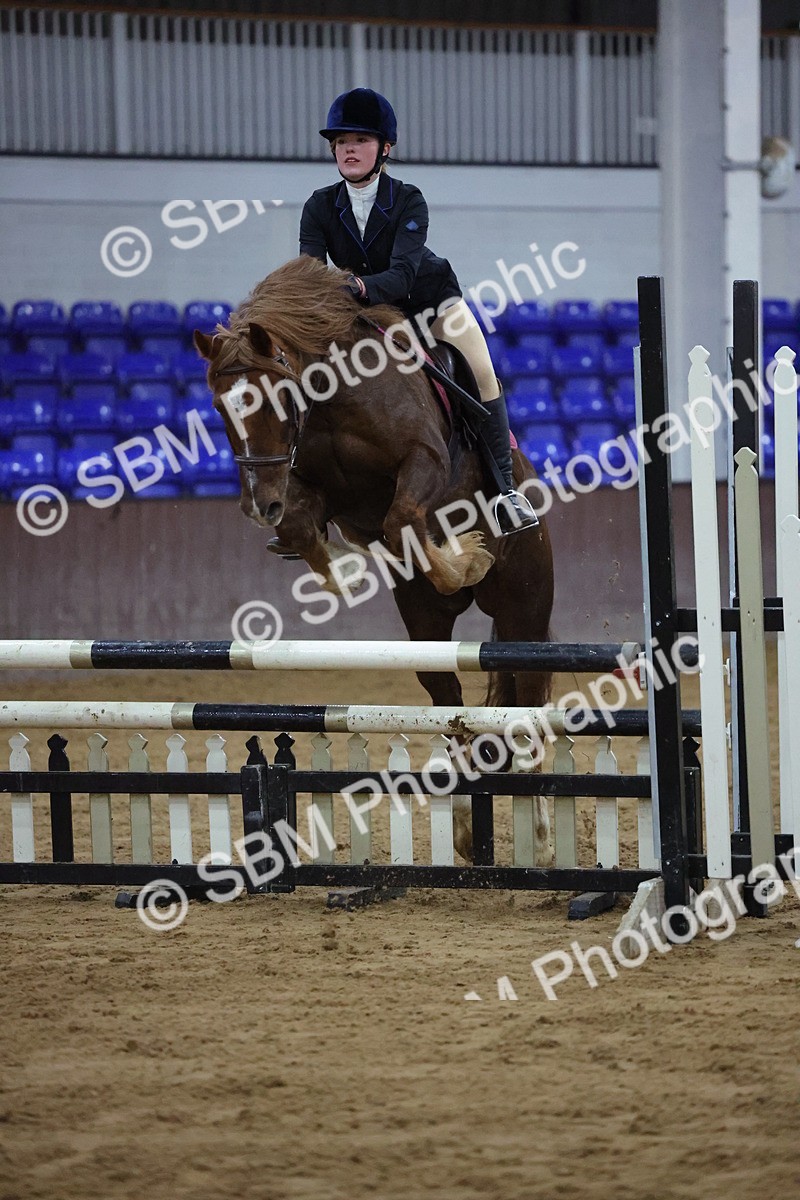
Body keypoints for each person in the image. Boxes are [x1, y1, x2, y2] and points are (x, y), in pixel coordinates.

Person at [298, 87, 538, 535]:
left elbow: (404, 276)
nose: (349, 149)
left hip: (429, 304)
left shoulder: (409, 199)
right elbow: (310, 273)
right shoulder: (318, 207)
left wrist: (354, 285)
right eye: (342, 141)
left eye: (361, 140)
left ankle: (506, 491)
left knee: (481, 370)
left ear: (384, 148)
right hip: (364, 315)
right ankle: (301, 496)